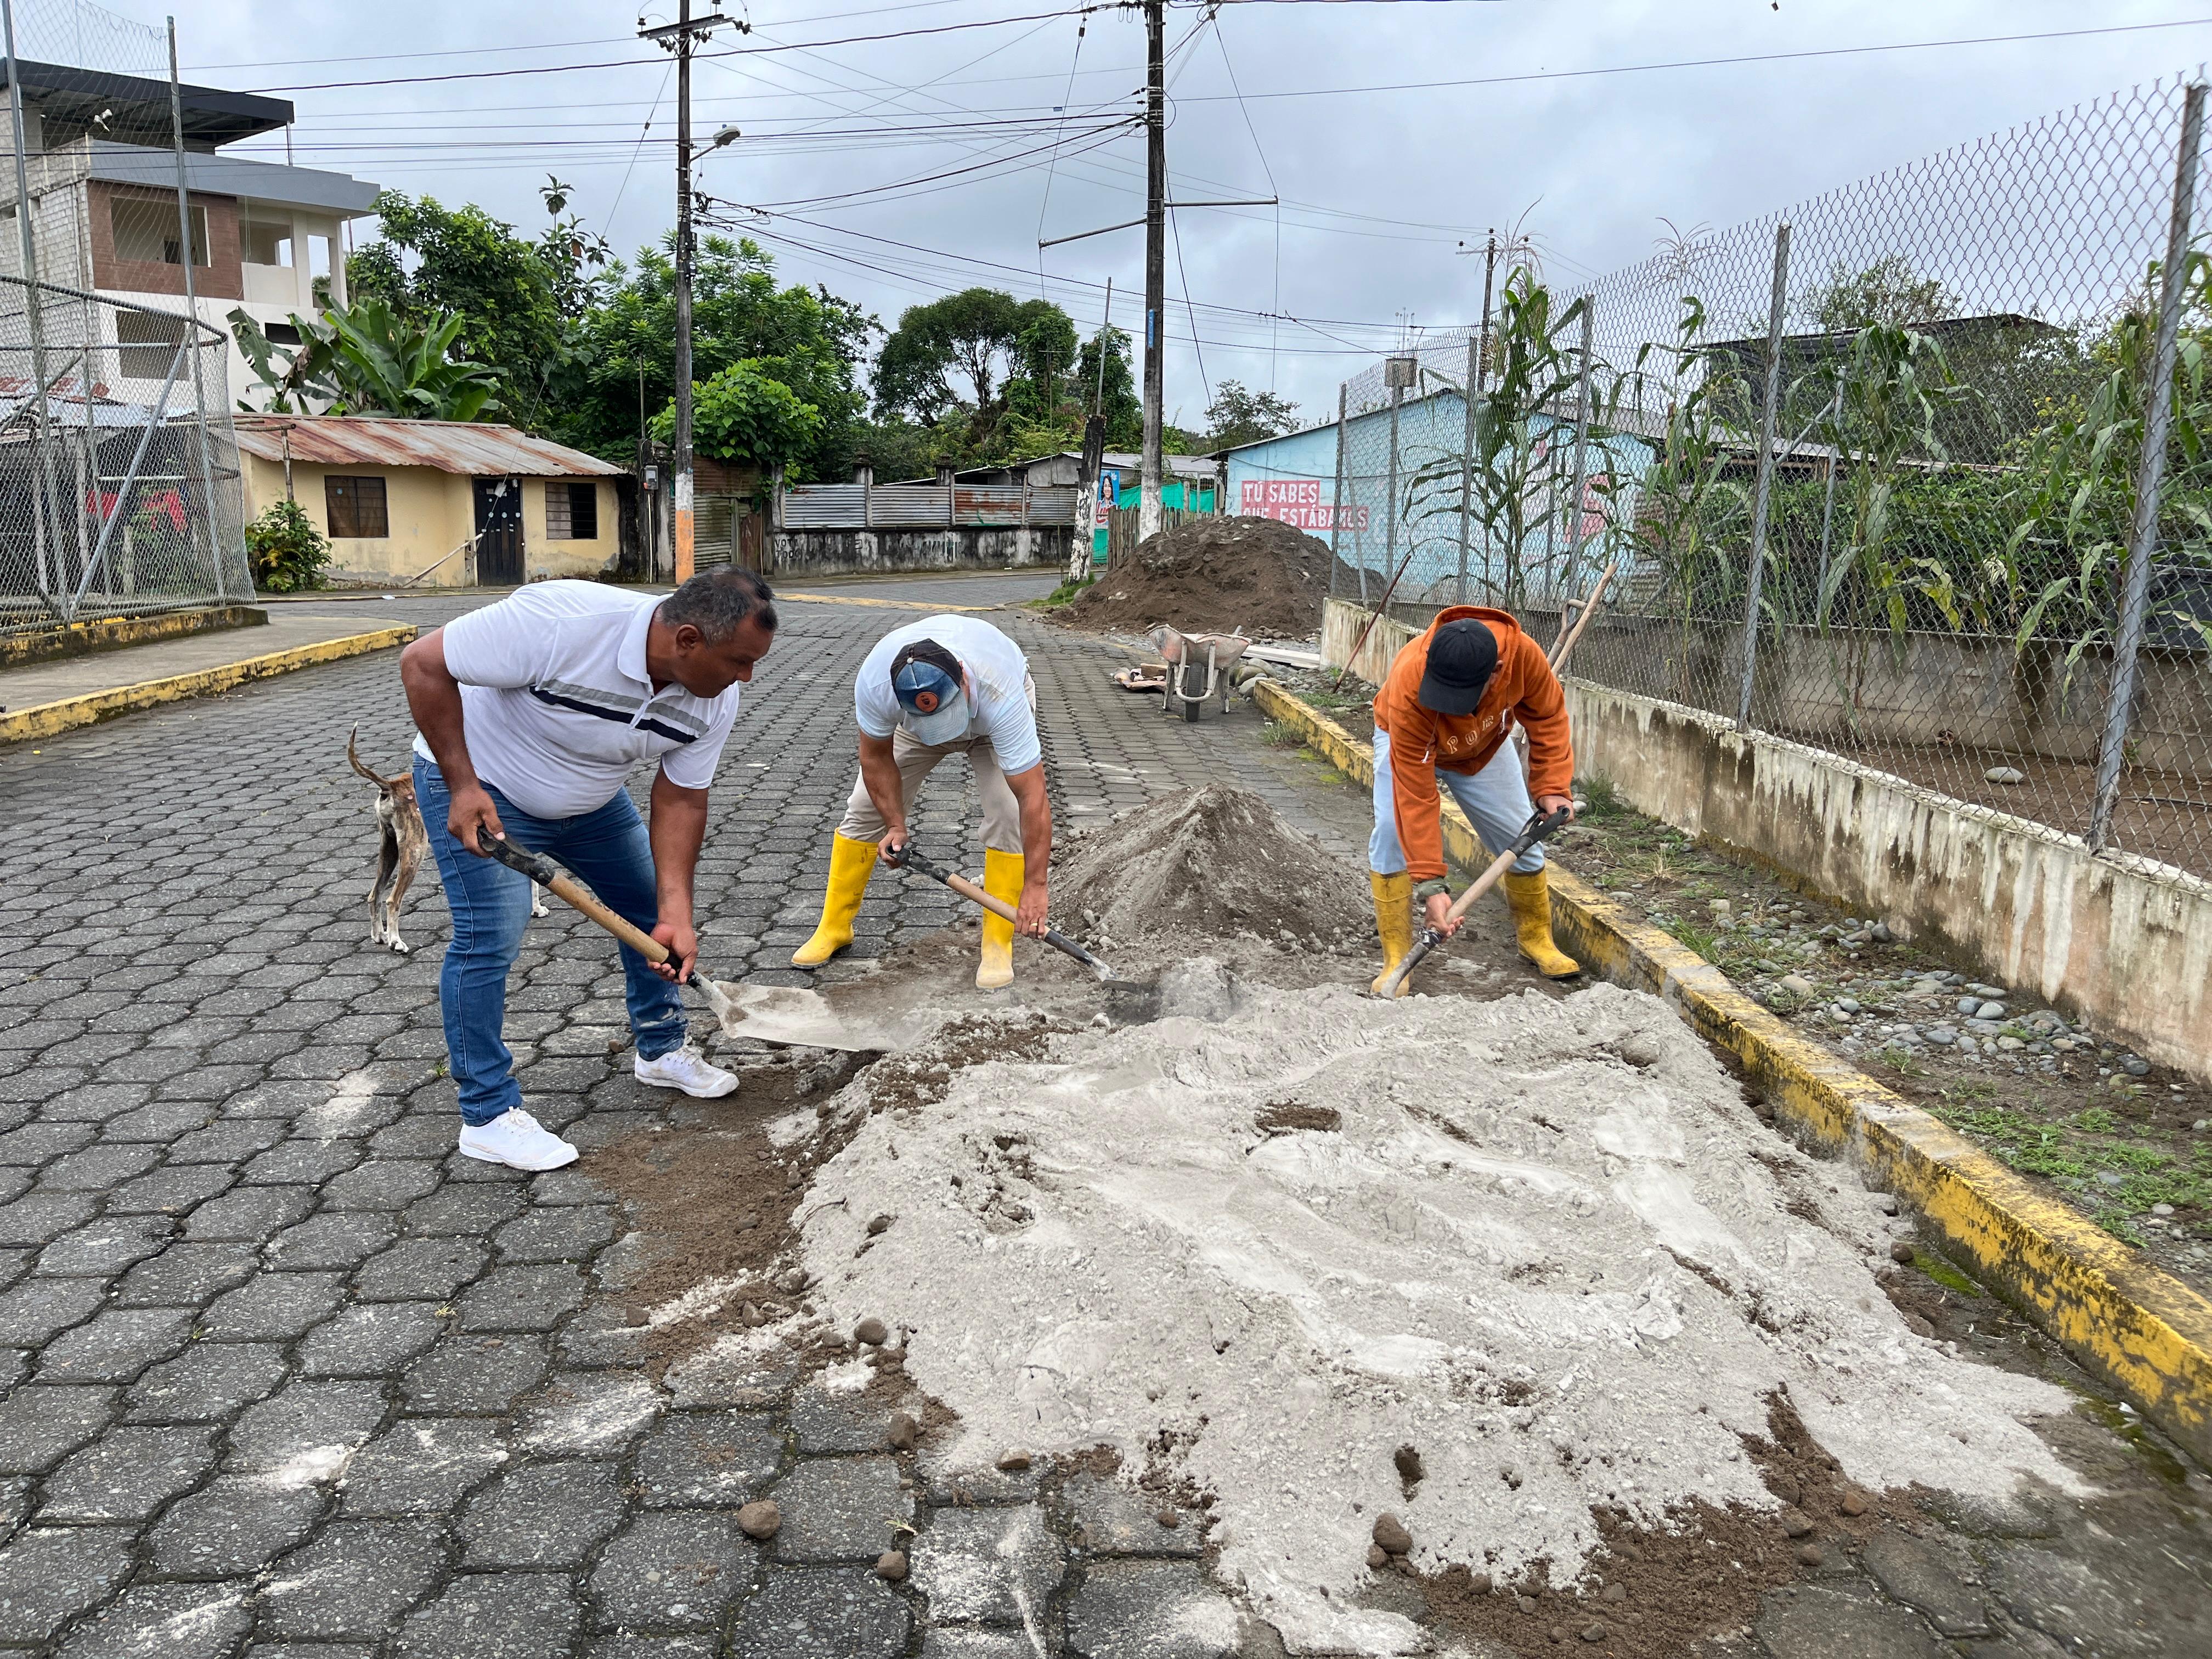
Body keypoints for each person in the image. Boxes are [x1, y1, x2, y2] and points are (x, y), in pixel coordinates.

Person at [400, 568, 778, 1171]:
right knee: (490, 937)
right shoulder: (563, 622)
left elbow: (682, 799)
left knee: (651, 911)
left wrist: (677, 913)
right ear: (687, 640)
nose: (747, 677)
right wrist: (463, 785)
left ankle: (660, 1050)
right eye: (739, 661)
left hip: (593, 804)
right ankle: (488, 1116)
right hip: (488, 790)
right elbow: (423, 663)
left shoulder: (714, 700)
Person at [791, 613, 1051, 989]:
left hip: (989, 723)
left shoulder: (1001, 692)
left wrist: (1036, 885)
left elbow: (1032, 796)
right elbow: (875, 758)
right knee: (864, 810)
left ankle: (998, 942)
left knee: (1008, 814)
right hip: (916, 726)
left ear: (964, 679)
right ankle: (834, 927)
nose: (946, 735)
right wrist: (895, 823)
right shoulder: (877, 684)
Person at [1368, 605, 1580, 993]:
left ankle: (1535, 938)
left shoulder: (1523, 657)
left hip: (1483, 745)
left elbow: (1548, 717)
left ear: (1496, 672)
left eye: (1459, 695)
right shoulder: (1409, 680)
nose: (1447, 702)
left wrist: (1552, 787)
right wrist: (1432, 887)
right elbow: (1415, 796)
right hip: (1408, 740)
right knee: (1390, 833)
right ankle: (1396, 957)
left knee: (1521, 838)